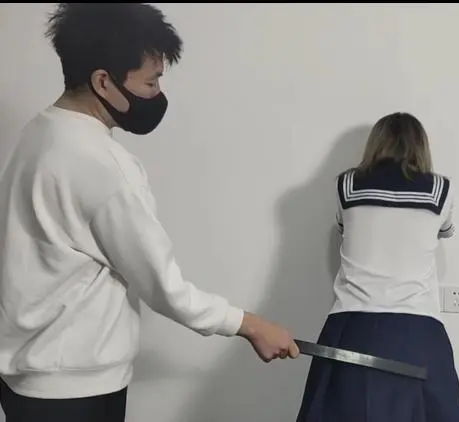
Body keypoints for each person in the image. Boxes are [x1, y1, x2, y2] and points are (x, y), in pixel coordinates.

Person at [0, 3, 299, 421]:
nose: (157, 95)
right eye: (151, 82)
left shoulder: (39, 133)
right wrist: (250, 324)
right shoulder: (104, 165)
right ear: (103, 81)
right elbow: (163, 287)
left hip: (25, 380)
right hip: (75, 389)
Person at [295, 112, 459, 422]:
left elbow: (344, 227)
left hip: (351, 328)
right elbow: (445, 230)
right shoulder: (440, 190)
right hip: (418, 331)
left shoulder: (347, 185)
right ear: (421, 146)